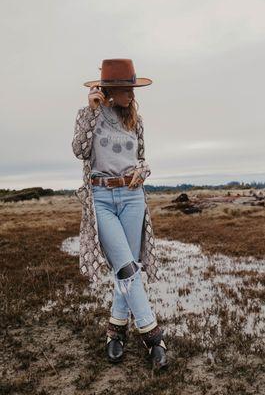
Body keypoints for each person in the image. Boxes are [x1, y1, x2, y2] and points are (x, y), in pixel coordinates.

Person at [72, 59, 168, 370]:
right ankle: (153, 335)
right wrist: (91, 111)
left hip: (132, 197)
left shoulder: (135, 122)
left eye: (133, 89)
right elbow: (79, 150)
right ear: (111, 90)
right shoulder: (90, 116)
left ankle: (115, 330)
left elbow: (142, 159)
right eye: (128, 90)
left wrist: (142, 171)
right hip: (101, 198)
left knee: (130, 266)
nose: (132, 96)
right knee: (125, 267)